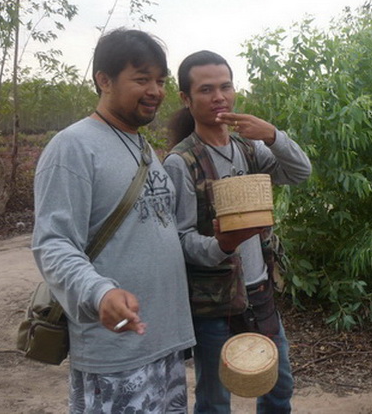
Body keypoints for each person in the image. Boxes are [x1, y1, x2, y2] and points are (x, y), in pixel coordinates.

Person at [32, 28, 195, 413]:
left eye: (160, 80)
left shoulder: (142, 146)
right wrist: (100, 292)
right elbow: (52, 243)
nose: (155, 90)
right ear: (103, 80)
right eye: (141, 79)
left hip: (162, 343)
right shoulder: (73, 146)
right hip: (116, 351)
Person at [163, 50, 312, 414]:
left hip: (259, 291)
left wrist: (274, 135)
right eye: (206, 89)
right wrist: (221, 245)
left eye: (225, 87)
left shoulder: (249, 148)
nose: (219, 97)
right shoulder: (181, 163)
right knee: (215, 397)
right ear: (186, 98)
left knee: (279, 385)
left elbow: (299, 173)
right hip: (214, 301)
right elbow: (180, 240)